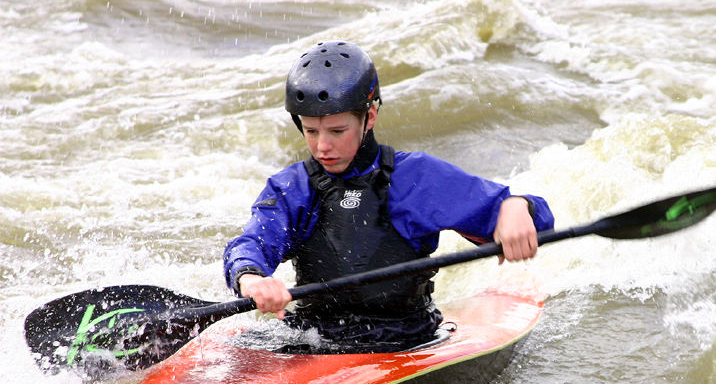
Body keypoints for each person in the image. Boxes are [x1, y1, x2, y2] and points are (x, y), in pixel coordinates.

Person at [223, 41, 554, 349]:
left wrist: (516, 205)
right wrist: (251, 277)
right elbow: (251, 243)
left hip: (406, 337)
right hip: (312, 338)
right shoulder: (293, 188)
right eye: (311, 131)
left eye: (337, 131)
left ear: (370, 116)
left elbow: (536, 221)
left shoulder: (415, 178)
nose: (323, 145)